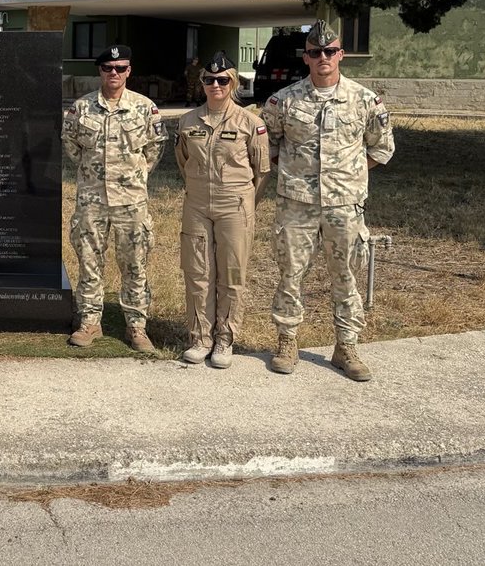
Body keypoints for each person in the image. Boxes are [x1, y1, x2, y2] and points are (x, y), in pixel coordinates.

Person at [262, 20, 395, 381]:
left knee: (346, 274)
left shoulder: (365, 100)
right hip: (297, 203)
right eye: (316, 52)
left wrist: (348, 174)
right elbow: (268, 146)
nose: (323, 57)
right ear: (305, 57)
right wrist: (296, 172)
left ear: (341, 55)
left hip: (344, 205)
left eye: (330, 51)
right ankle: (287, 341)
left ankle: (346, 346)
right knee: (291, 274)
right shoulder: (283, 101)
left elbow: (381, 148)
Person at [61, 44, 166, 352]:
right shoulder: (80, 109)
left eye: (121, 68)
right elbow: (71, 146)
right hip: (92, 200)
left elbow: (155, 148)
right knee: (90, 262)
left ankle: (136, 326)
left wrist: (136, 175)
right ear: (100, 71)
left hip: (131, 201)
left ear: (129, 71)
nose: (114, 73)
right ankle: (90, 322)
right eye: (109, 68)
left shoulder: (145, 108)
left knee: (135, 264)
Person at [174, 50, 270, 369]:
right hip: (197, 204)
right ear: (202, 83)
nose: (215, 85)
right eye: (209, 79)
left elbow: (262, 170)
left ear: (233, 83)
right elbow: (183, 161)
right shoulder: (188, 121)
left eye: (222, 80)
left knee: (231, 273)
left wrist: (245, 203)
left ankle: (225, 337)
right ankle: (200, 337)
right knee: (198, 272)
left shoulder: (251, 123)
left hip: (235, 206)